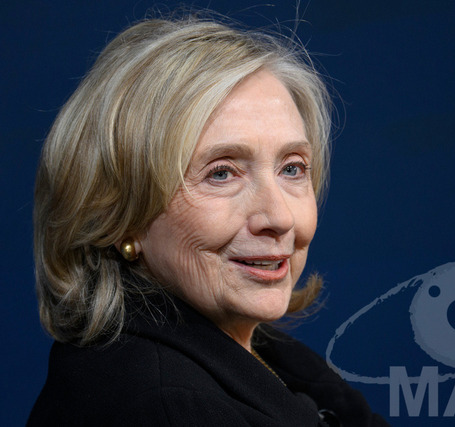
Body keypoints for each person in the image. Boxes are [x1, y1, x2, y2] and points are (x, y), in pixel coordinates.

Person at [28, 14, 389, 427]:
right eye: (221, 173)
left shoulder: (266, 357)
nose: (280, 217)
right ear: (119, 214)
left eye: (292, 168)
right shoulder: (166, 408)